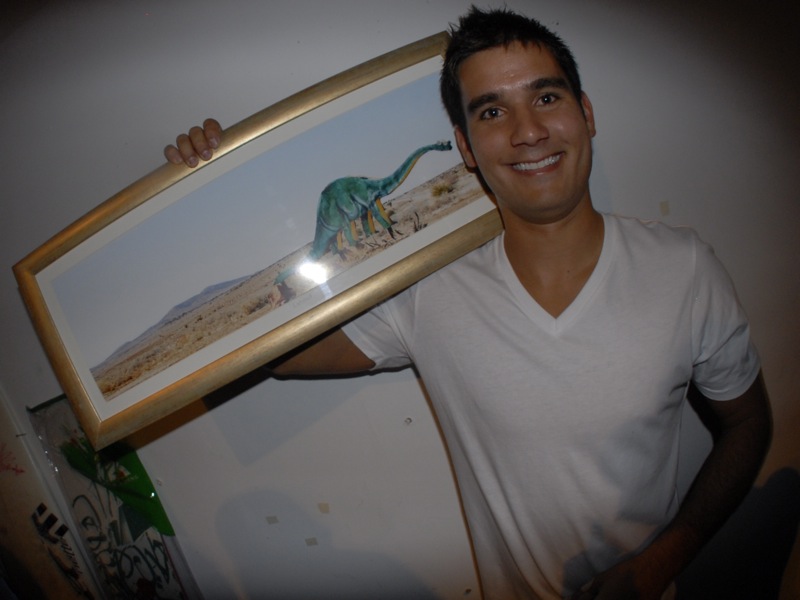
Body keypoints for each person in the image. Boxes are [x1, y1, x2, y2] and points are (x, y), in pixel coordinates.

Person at [164, 7, 771, 600]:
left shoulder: (685, 269)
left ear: (586, 113)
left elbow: (747, 425)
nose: (527, 131)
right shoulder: (430, 288)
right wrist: (212, 189)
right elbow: (274, 354)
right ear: (467, 147)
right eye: (492, 111)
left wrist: (661, 561)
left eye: (546, 97)